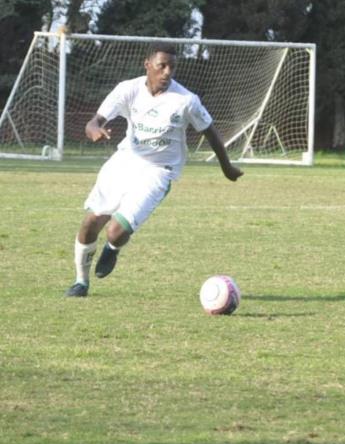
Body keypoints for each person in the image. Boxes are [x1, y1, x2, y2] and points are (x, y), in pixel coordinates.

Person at [65, 42, 243, 297]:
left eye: (172, 67)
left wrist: (227, 167)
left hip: (160, 169)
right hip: (126, 160)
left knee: (115, 231)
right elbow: (96, 121)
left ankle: (112, 249)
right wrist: (93, 130)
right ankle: (80, 282)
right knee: (90, 223)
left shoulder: (186, 101)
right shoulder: (127, 89)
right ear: (147, 65)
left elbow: (211, 132)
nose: (168, 72)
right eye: (162, 66)